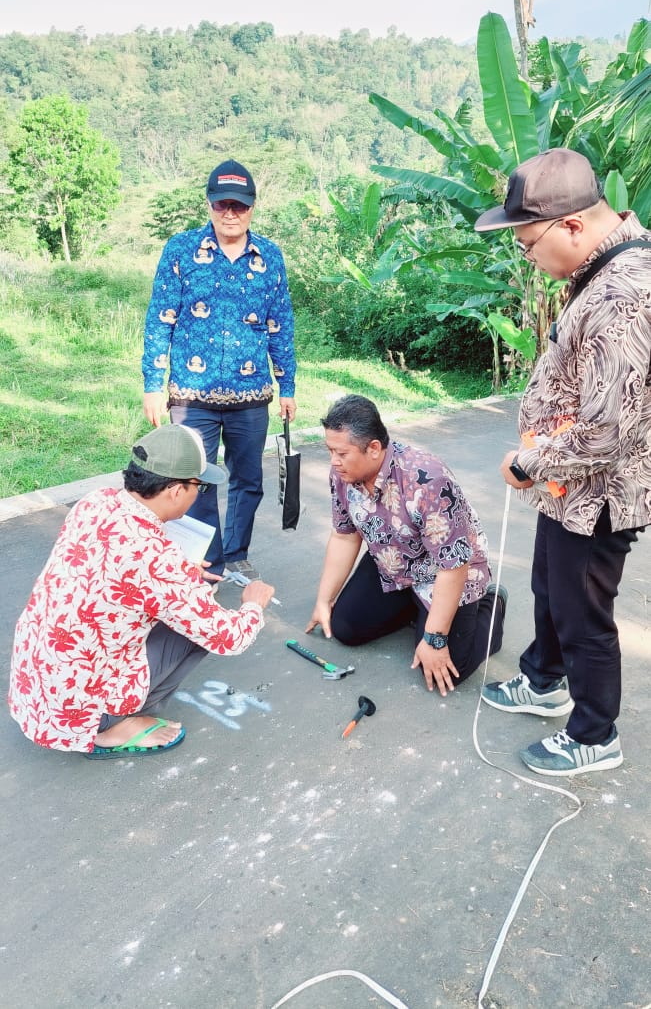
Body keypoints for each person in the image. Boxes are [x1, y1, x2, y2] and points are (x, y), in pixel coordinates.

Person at [475, 147, 651, 777]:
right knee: (549, 587)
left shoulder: (624, 292)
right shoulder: (598, 266)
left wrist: (529, 461)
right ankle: (543, 680)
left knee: (583, 614)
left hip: (597, 491)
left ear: (572, 225)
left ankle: (594, 735)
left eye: (528, 245)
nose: (527, 257)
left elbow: (609, 429)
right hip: (566, 488)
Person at [8, 424, 275, 759]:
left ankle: (106, 714)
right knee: (200, 624)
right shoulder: (158, 559)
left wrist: (182, 575)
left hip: (38, 682)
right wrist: (253, 605)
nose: (199, 493)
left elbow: (116, 572)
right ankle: (111, 726)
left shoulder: (96, 502)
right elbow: (228, 638)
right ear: (176, 490)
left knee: (181, 606)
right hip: (81, 710)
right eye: (199, 485)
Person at [142, 158, 297, 580]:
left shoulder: (270, 256)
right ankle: (207, 561)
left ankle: (237, 551)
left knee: (249, 480)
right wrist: (153, 384)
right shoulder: (181, 250)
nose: (231, 213)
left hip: (252, 395)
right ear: (209, 204)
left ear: (252, 207)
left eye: (239, 205)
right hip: (192, 396)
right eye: (222, 204)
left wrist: (287, 385)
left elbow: (280, 324)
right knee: (194, 479)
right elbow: (160, 319)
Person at [306, 395, 506, 696]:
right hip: (393, 561)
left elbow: (453, 566)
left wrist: (435, 639)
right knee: (345, 628)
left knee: (448, 668)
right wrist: (324, 600)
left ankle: (492, 605)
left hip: (447, 572)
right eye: (330, 451)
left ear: (374, 448)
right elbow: (345, 535)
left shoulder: (427, 480)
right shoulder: (342, 474)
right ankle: (416, 607)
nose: (334, 461)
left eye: (341, 453)